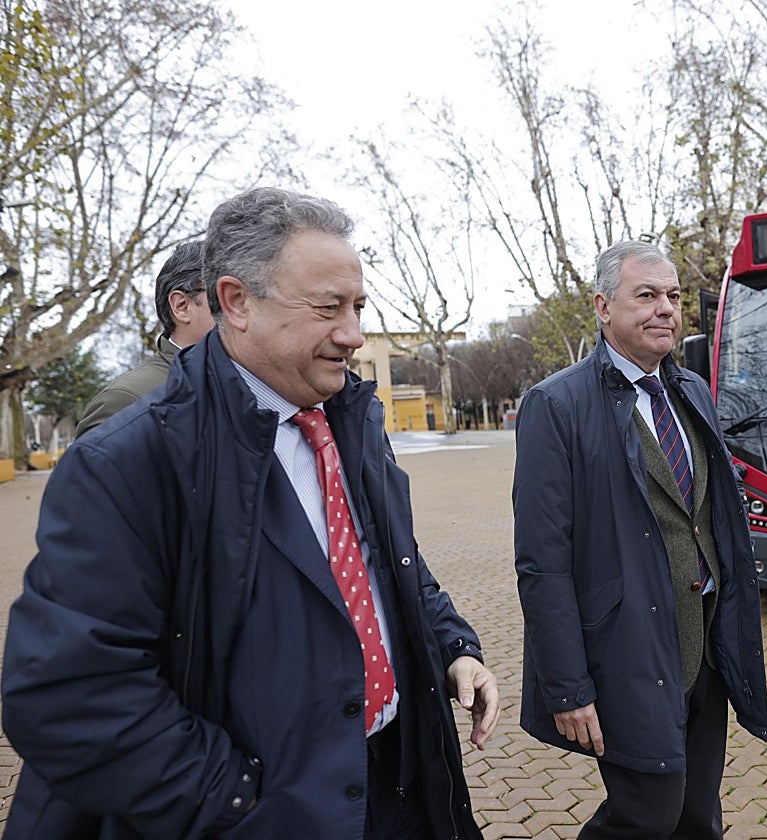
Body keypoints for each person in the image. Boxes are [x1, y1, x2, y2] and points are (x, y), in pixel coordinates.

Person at [2, 187, 500, 839]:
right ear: (236, 302)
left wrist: (453, 646)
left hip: (396, 788)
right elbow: (70, 697)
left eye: (357, 307)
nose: (352, 334)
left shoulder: (350, 421)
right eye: (328, 308)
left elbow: (387, 566)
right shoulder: (127, 461)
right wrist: (241, 804)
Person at [512, 240, 767, 839]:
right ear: (603, 307)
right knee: (646, 816)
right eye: (647, 295)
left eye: (673, 296)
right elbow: (543, 562)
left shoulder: (692, 390)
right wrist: (566, 687)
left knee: (697, 817)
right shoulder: (556, 405)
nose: (666, 309)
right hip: (626, 653)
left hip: (706, 650)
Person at [75, 240, 214, 437]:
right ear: (182, 306)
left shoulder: (248, 388)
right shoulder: (127, 402)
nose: (246, 308)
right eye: (229, 294)